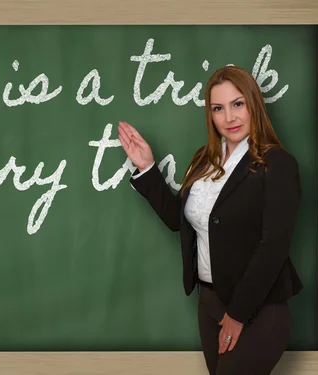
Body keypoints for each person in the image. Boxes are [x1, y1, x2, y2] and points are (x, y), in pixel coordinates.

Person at [118, 65, 303, 375]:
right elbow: (181, 222)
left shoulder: (277, 164)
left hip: (256, 308)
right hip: (210, 304)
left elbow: (273, 246)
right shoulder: (204, 160)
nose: (229, 117)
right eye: (218, 108)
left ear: (253, 105)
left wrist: (238, 314)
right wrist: (147, 167)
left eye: (238, 104)